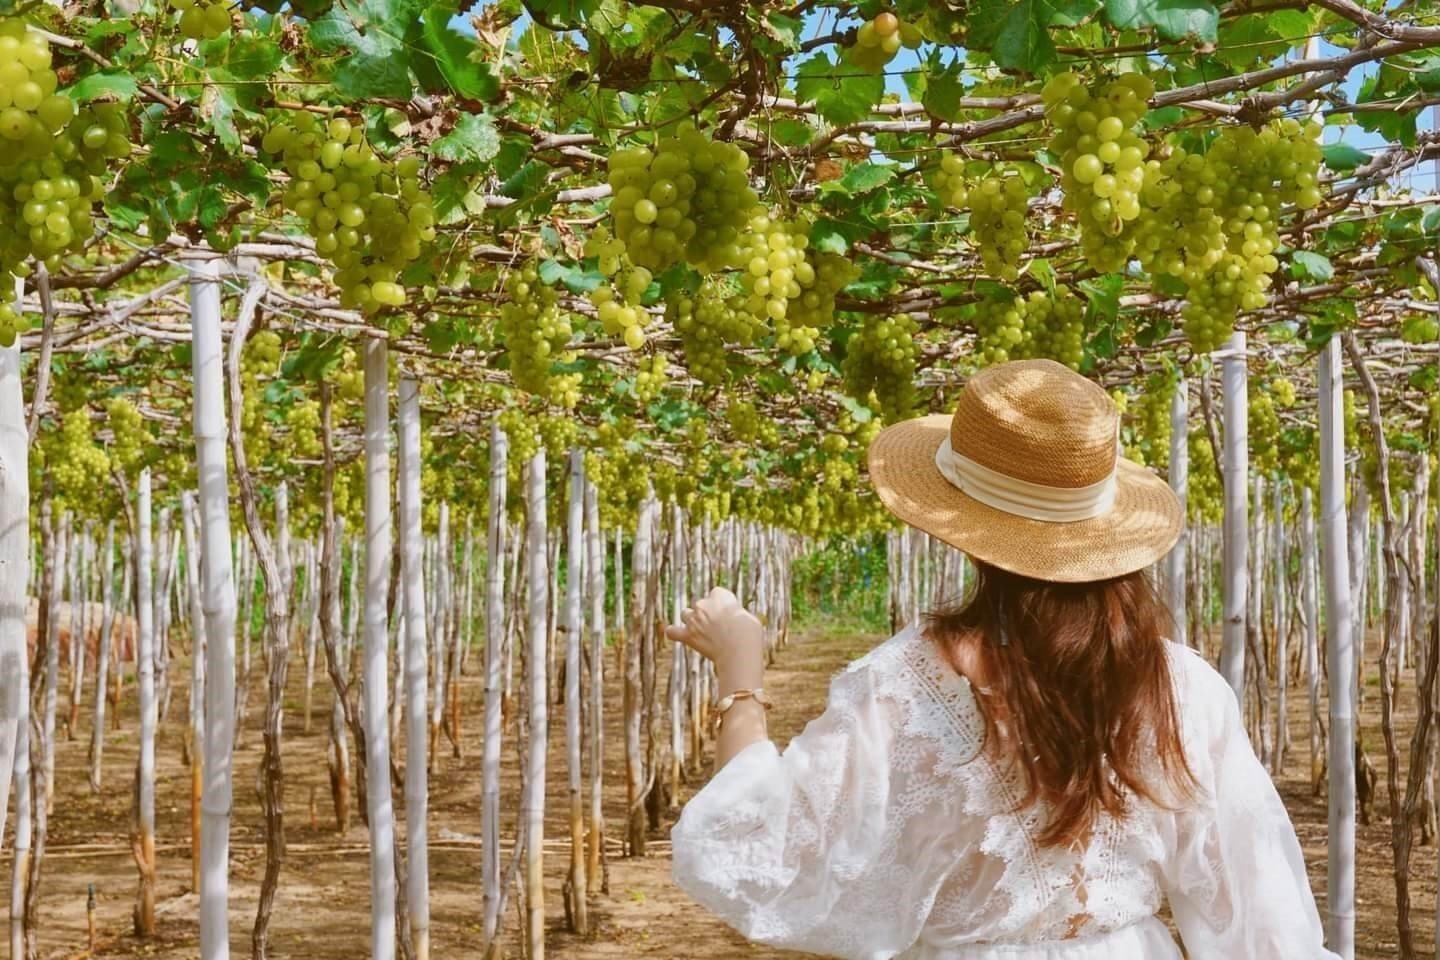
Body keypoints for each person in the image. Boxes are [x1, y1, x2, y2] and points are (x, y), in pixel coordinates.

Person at [667, 359, 1340, 959]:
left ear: (965, 528)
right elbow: (1263, 919)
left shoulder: (906, 687)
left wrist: (741, 674)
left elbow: (760, 855)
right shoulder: (1181, 687)